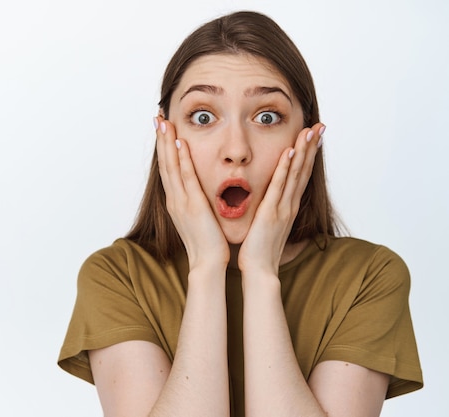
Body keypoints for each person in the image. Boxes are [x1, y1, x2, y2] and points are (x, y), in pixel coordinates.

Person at [57, 10, 423, 417]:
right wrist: (207, 269)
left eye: (267, 117)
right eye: (203, 116)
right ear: (166, 136)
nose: (236, 149)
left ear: (308, 138)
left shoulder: (369, 277)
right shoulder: (117, 277)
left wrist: (261, 273)